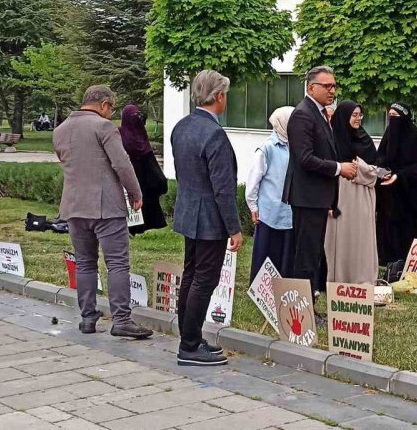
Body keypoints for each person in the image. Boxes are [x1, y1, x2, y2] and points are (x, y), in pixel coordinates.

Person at [53, 85, 153, 340]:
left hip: (74, 207)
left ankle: (88, 317)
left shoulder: (60, 130)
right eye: (112, 108)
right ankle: (122, 319)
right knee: (117, 263)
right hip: (105, 206)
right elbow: (121, 163)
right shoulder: (103, 127)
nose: (112, 114)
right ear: (104, 104)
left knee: (85, 261)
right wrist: (135, 192)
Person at [171, 70, 243, 366]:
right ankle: (189, 346)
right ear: (219, 96)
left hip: (188, 210)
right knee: (204, 279)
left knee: (190, 276)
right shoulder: (214, 133)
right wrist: (234, 228)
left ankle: (190, 336)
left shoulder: (182, 126)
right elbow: (223, 189)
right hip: (209, 216)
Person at [284, 67, 358, 297]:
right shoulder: (303, 114)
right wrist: (338, 168)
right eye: (327, 86)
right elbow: (304, 158)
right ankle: (301, 312)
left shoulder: (320, 113)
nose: (332, 90)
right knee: (306, 256)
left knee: (313, 253)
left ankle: (308, 305)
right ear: (310, 87)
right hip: (307, 197)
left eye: (334, 86)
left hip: (318, 197)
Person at [325, 101, 392, 285]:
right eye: (354, 115)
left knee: (361, 238)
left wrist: (366, 169)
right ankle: (340, 279)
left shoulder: (364, 138)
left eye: (359, 115)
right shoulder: (333, 140)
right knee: (341, 239)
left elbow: (374, 166)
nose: (357, 119)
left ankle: (361, 279)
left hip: (363, 195)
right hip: (341, 195)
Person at [245, 106, 296, 284]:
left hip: (290, 212)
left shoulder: (297, 146)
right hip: (270, 212)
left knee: (286, 253)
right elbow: (253, 180)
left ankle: (283, 285)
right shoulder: (267, 148)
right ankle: (261, 288)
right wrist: (253, 206)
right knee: (267, 252)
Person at [376, 103, 417, 265]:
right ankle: (388, 266)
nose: (392, 120)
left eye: (395, 116)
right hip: (388, 197)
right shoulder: (389, 134)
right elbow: (381, 156)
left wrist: (399, 176)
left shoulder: (415, 135)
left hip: (408, 199)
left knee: (407, 235)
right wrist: (383, 171)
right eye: (390, 115)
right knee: (387, 232)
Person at [119, 105, 168, 236]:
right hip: (128, 176)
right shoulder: (118, 136)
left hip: (144, 178)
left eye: (138, 116)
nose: (137, 119)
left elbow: (148, 156)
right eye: (134, 117)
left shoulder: (141, 134)